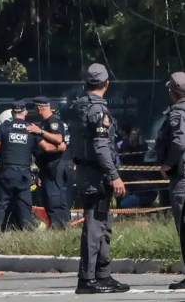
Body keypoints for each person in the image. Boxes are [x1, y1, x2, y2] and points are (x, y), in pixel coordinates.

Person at [71, 63, 129, 294]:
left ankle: (102, 275)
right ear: (107, 84)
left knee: (103, 225)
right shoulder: (98, 110)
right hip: (97, 173)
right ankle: (87, 278)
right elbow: (101, 145)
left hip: (89, 172)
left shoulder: (80, 106)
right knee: (95, 226)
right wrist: (114, 175)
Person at [0, 100, 66, 232]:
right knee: (24, 205)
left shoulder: (3, 127)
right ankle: (26, 233)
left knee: (0, 204)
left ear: (13, 112)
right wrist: (61, 147)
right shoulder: (31, 129)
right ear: (25, 112)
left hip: (6, 172)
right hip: (24, 174)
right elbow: (47, 147)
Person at [155, 72, 185, 290]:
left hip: (183, 178)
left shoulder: (178, 112)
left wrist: (167, 163)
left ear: (173, 91)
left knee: (184, 225)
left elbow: (180, 141)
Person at [27, 96, 72, 229]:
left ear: (39, 108)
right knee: (59, 199)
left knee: (54, 199)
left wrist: (39, 131)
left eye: (35, 108)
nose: (34, 111)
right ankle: (62, 225)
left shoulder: (52, 122)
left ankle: (58, 226)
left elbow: (58, 139)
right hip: (56, 166)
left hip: (56, 166)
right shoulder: (51, 122)